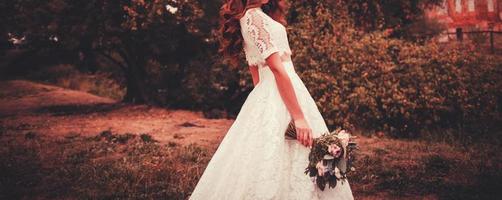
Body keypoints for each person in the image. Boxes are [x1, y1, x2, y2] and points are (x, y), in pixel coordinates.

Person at [189, 0, 354, 199]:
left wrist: (262, 102)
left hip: (277, 89)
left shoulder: (253, 16)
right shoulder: (253, 17)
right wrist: (298, 117)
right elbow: (276, 68)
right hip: (281, 86)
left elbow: (256, 69)